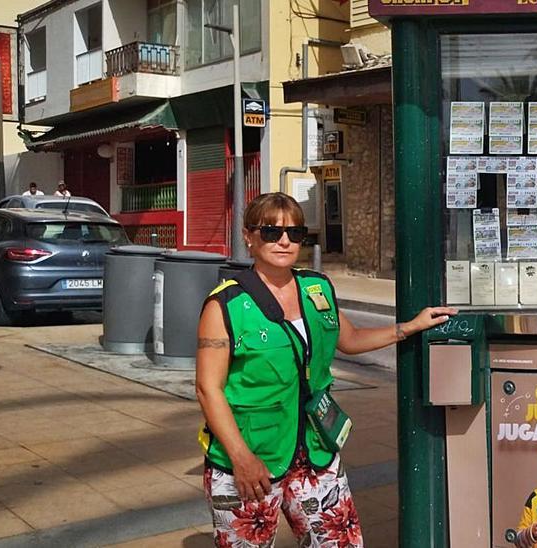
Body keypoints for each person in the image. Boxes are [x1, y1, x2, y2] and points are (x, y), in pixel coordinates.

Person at [195, 192, 457, 547]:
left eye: (295, 232)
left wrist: (409, 327)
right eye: (271, 232)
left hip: (315, 451)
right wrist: (241, 458)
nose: (284, 241)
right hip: (251, 456)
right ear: (249, 236)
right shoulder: (226, 304)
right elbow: (208, 389)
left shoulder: (315, 288)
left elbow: (349, 339)